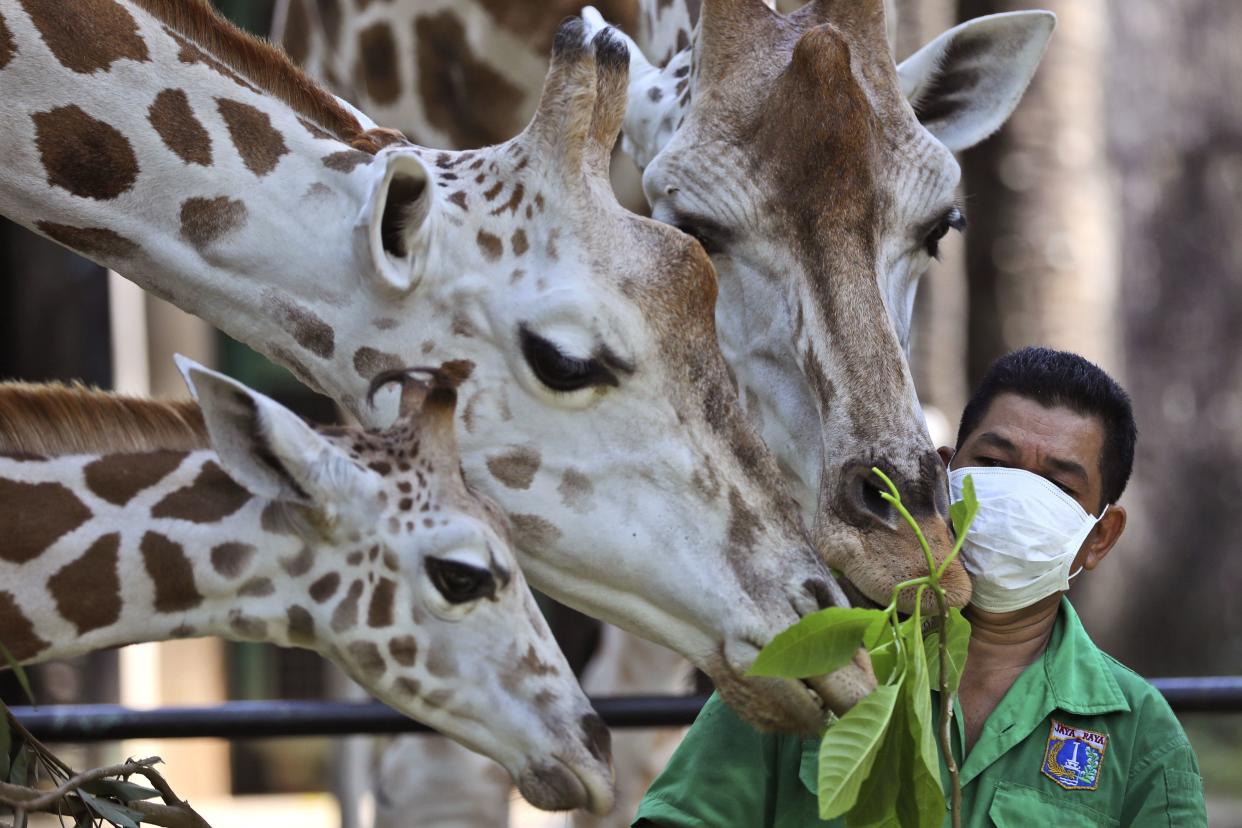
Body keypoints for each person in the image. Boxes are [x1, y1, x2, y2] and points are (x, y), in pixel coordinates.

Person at [633, 347, 1207, 827]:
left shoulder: (1139, 733)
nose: (1013, 498)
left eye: (1057, 485)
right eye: (995, 463)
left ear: (1100, 536)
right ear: (945, 476)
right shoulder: (818, 659)